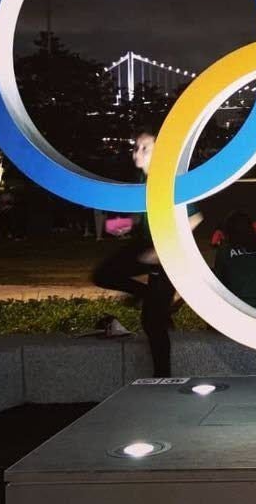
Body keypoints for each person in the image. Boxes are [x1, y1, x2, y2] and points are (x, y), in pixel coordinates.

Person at [91, 131, 202, 377]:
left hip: (171, 253)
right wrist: (121, 226)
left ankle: (162, 378)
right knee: (102, 274)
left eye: (145, 148)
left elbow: (195, 217)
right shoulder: (141, 178)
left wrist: (165, 248)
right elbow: (138, 216)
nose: (137, 152)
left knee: (152, 323)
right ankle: (146, 294)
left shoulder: (171, 179)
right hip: (148, 246)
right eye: (135, 147)